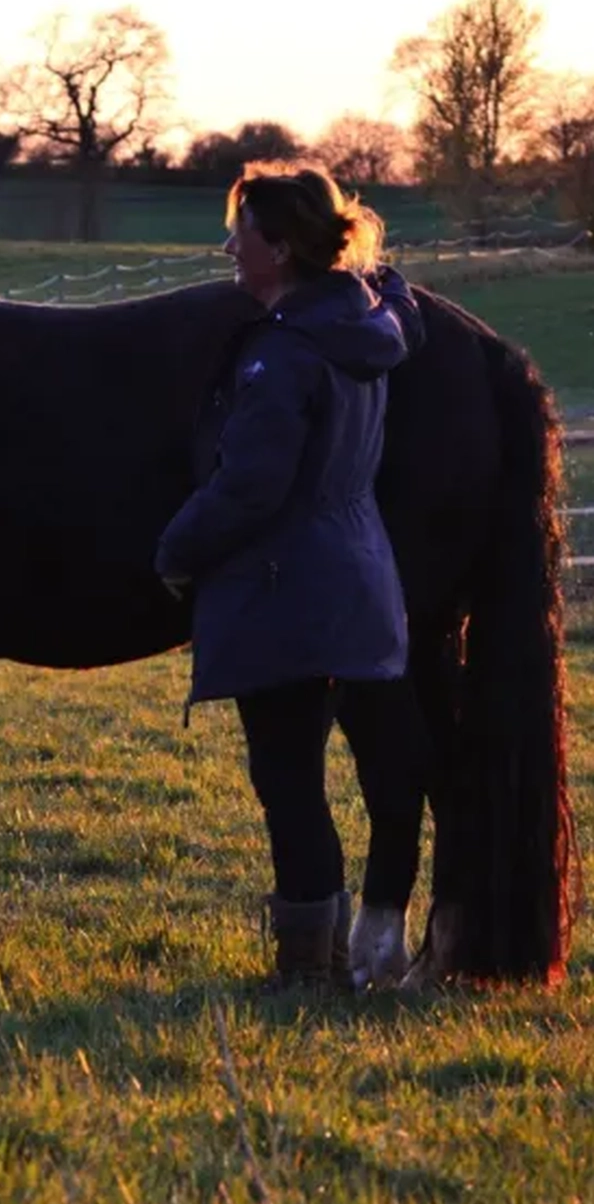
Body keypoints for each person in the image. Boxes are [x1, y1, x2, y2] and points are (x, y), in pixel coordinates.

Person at [154, 162, 427, 989]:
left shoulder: (284, 353)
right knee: (375, 760)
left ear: (277, 247)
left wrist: (177, 548)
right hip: (362, 574)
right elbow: (405, 311)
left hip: (285, 588)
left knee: (289, 777)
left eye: (241, 233)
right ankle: (366, 941)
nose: (230, 248)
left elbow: (251, 483)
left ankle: (307, 972)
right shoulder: (368, 325)